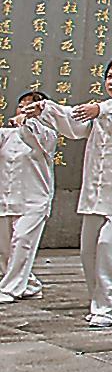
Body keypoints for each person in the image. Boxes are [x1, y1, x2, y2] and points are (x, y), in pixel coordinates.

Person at [32, 56, 112, 328]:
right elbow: (74, 123)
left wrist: (99, 110)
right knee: (89, 252)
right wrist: (47, 109)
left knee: (111, 246)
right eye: (110, 75)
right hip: (96, 195)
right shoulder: (100, 110)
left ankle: (108, 307)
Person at [0, 92, 56, 303]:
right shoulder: (6, 134)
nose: (24, 109)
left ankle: (10, 289)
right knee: (5, 250)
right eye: (21, 106)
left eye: (30, 107)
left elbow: (32, 136)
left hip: (34, 201)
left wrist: (27, 122)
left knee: (22, 241)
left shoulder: (47, 135)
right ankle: (30, 285)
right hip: (5, 199)